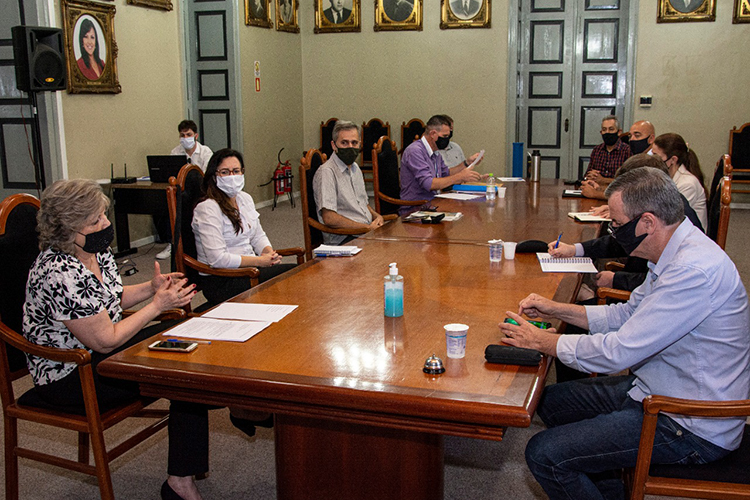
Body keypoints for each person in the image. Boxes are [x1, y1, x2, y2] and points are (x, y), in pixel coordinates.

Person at [500, 167, 750, 500]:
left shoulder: (693, 271)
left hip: (688, 421)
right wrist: (557, 309)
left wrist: (541, 341)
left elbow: (618, 352)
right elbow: (627, 314)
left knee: (544, 454)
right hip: (659, 387)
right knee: (553, 403)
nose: (614, 233)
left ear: (647, 222)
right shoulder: (672, 251)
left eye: (617, 225)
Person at [23, 179, 210, 500]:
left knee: (184, 338)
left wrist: (151, 288)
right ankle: (181, 481)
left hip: (98, 354)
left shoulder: (92, 251)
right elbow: (106, 340)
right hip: (70, 376)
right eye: (94, 220)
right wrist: (156, 306)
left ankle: (181, 475)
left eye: (103, 215)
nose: (105, 224)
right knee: (182, 371)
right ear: (68, 228)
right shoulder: (59, 272)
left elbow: (110, 297)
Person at [192, 148, 296, 306]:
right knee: (292, 275)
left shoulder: (244, 198)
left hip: (250, 270)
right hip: (222, 279)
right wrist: (260, 261)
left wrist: (268, 253)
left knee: (297, 275)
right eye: (225, 172)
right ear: (214, 176)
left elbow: (257, 236)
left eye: (236, 171)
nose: (232, 176)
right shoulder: (207, 208)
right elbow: (217, 259)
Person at [312, 120, 385, 245]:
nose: (350, 147)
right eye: (344, 143)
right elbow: (329, 218)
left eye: (354, 143)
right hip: (345, 239)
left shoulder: (355, 168)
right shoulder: (327, 172)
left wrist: (377, 216)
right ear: (334, 145)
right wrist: (366, 228)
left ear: (360, 144)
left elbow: (363, 203)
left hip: (364, 232)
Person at [399, 115, 484, 213]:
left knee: (468, 211)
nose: (447, 140)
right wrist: (460, 177)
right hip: (415, 209)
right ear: (433, 134)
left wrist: (467, 163)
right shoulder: (415, 151)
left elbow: (446, 173)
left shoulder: (435, 152)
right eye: (445, 136)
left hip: (433, 204)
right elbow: (429, 184)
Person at [159, 120, 215, 260]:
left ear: (196, 135)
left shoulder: (205, 152)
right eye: (182, 135)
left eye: (188, 134)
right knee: (168, 205)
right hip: (181, 191)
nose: (185, 138)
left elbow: (206, 176)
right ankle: (172, 243)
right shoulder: (175, 152)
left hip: (200, 191)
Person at [652, 132, 707, 229]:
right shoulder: (670, 177)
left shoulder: (688, 184)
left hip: (688, 232)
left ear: (673, 160)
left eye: (656, 157)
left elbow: (670, 216)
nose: (653, 160)